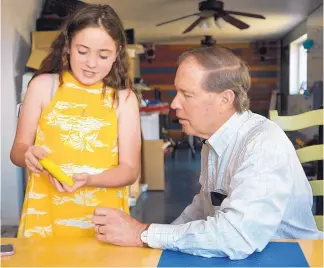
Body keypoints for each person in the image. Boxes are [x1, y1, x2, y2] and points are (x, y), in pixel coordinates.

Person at [92, 46, 323, 260]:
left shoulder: (263, 144)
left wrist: (142, 233)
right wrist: (149, 239)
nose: (174, 104)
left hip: (292, 256)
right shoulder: (212, 143)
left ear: (225, 99)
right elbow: (203, 209)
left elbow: (236, 236)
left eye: (187, 95)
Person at [10, 4, 141, 237]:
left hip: (102, 219)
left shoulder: (124, 99)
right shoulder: (43, 87)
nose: (91, 63)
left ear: (117, 52)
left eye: (103, 55)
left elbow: (130, 170)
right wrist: (28, 155)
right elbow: (18, 151)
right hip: (45, 213)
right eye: (82, 51)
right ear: (68, 45)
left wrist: (90, 179)